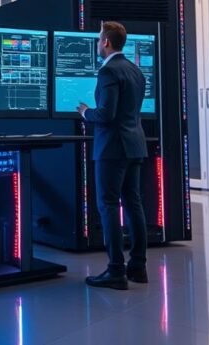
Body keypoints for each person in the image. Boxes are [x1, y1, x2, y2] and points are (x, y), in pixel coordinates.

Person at [76, 21, 148, 290]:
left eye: (98, 40)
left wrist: (85, 112)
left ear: (106, 42)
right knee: (134, 205)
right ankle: (138, 267)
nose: (97, 44)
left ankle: (116, 270)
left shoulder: (108, 72)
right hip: (135, 145)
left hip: (112, 149)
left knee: (108, 205)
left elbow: (106, 114)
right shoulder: (135, 70)